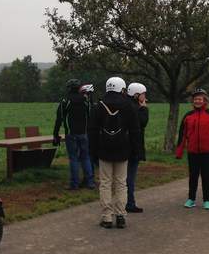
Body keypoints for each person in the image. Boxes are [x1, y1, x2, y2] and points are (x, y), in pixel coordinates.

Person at [89, 77, 139, 229]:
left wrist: (93, 151)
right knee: (121, 183)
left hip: (104, 150)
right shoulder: (128, 105)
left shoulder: (98, 106)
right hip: (123, 149)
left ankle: (107, 217)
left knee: (105, 183)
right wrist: (135, 150)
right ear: (122, 88)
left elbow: (92, 131)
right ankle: (121, 215)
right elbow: (135, 131)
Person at [175, 88, 209, 210]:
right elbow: (182, 135)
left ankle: (207, 200)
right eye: (195, 99)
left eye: (200, 99)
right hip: (192, 152)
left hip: (208, 152)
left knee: (206, 176)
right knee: (193, 176)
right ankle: (191, 199)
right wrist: (179, 152)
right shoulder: (188, 116)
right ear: (193, 101)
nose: (197, 101)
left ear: (205, 100)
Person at [53, 79, 95, 190]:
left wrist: (55, 134)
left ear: (69, 88)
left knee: (73, 159)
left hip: (71, 134)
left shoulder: (65, 101)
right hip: (84, 133)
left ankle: (74, 184)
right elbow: (90, 116)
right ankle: (90, 182)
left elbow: (59, 119)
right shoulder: (85, 100)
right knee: (85, 157)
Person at [125, 82, 148, 213]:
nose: (145, 97)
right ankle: (130, 202)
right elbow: (142, 123)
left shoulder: (127, 105)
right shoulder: (137, 108)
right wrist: (144, 108)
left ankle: (125, 201)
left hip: (125, 145)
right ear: (137, 95)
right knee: (130, 177)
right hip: (133, 147)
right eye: (143, 94)